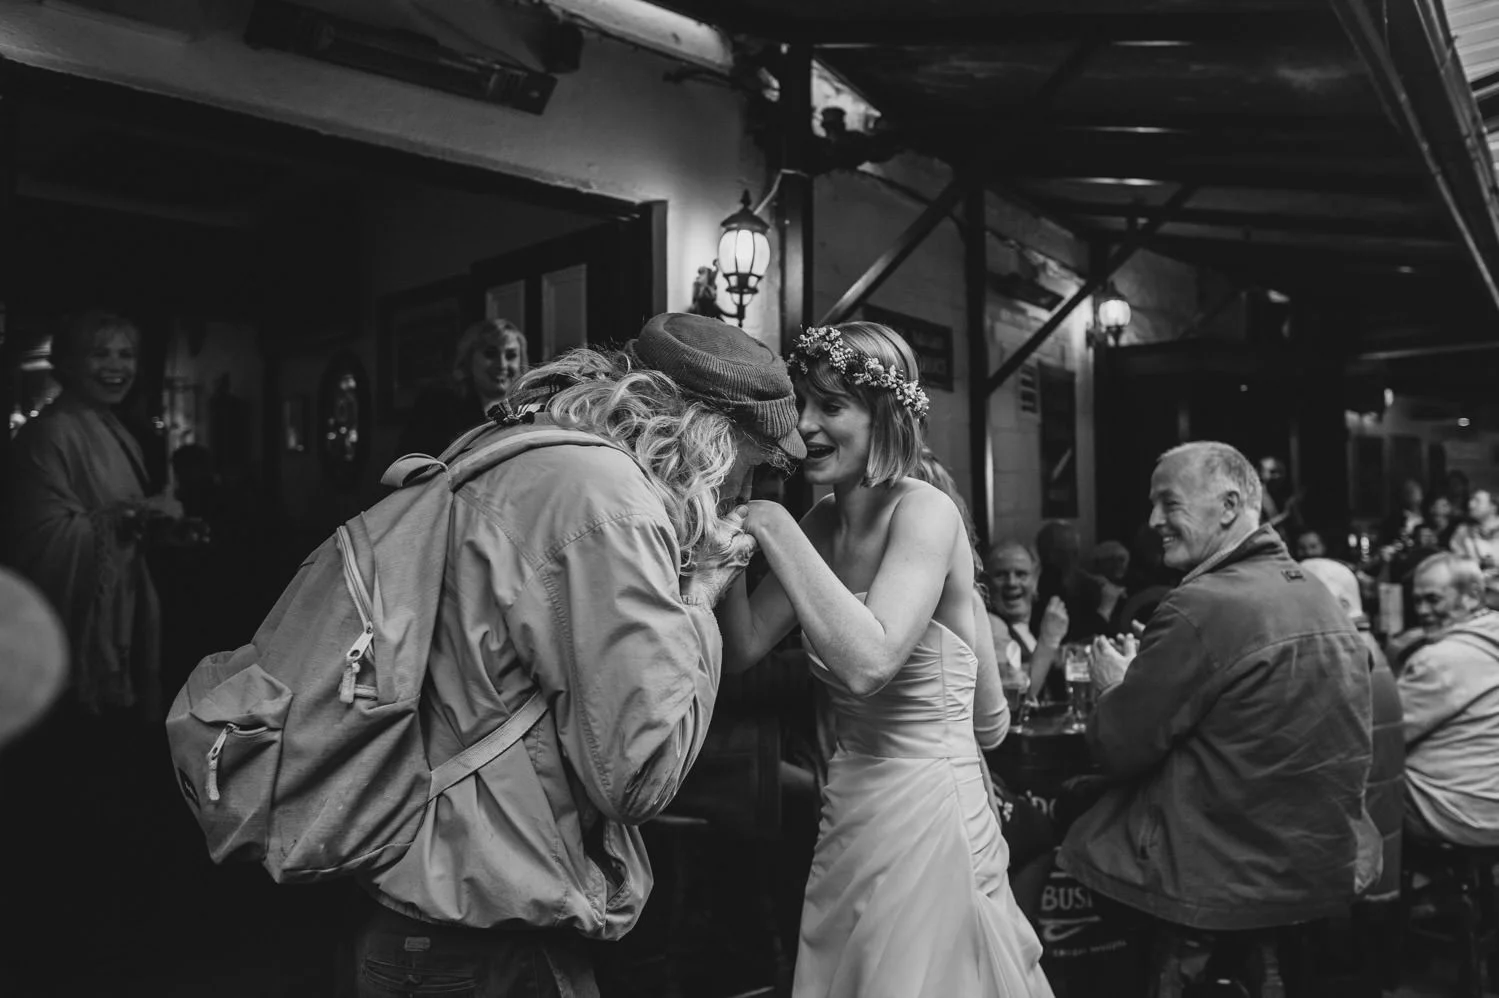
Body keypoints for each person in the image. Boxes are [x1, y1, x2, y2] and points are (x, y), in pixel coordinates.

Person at [353, 313, 805, 997]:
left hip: (436, 904)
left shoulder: (524, 448)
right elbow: (637, 779)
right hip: (478, 943)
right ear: (707, 438)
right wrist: (701, 594)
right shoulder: (611, 505)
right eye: (748, 468)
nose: (742, 493)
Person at [718, 321, 1053, 997]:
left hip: (930, 805)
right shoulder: (819, 523)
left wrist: (770, 524)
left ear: (886, 416)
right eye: (800, 406)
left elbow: (869, 662)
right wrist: (729, 509)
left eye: (831, 406)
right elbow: (742, 648)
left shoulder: (923, 512)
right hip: (852, 802)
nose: (806, 426)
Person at [1060, 441, 1374, 939]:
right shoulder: (1312, 589)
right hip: (1323, 859)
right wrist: (1160, 665)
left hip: (1226, 879)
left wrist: (1113, 685)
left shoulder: (1199, 605)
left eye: (1169, 502)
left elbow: (1114, 748)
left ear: (1229, 506)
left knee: (1068, 813)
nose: (1153, 519)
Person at [5, 309, 181, 718]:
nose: (117, 367)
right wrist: (128, 519)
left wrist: (160, 527)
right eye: (101, 354)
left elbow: (121, 520)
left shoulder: (113, 429)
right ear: (66, 362)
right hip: (65, 632)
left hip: (126, 614)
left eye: (127, 354)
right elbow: (38, 540)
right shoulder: (49, 434)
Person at [1301, 558, 1404, 902]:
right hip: (1372, 844)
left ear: (1341, 605)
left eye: (1303, 597)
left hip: (1355, 861)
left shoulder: (1346, 658)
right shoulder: (1365, 646)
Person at [1399, 553, 1499, 846]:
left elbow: (1384, 733)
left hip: (1462, 814)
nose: (1423, 610)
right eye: (1417, 601)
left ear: (1473, 596)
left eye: (1433, 600)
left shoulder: (1439, 661)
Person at [397, 317, 529, 459]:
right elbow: (410, 465)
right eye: (490, 353)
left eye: (511, 355)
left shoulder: (531, 409)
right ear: (468, 358)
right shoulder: (437, 406)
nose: (502, 365)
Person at [986, 539, 1067, 704]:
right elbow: (1015, 697)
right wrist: (1048, 641)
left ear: (1036, 579)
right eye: (1001, 575)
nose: (1012, 583)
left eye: (1021, 574)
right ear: (986, 582)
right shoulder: (989, 624)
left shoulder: (1040, 620)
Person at [1449, 488, 1499, 609]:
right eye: (1471, 500)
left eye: (1477, 501)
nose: (1470, 504)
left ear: (1493, 507)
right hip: (1477, 597)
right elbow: (1457, 565)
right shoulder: (1463, 533)